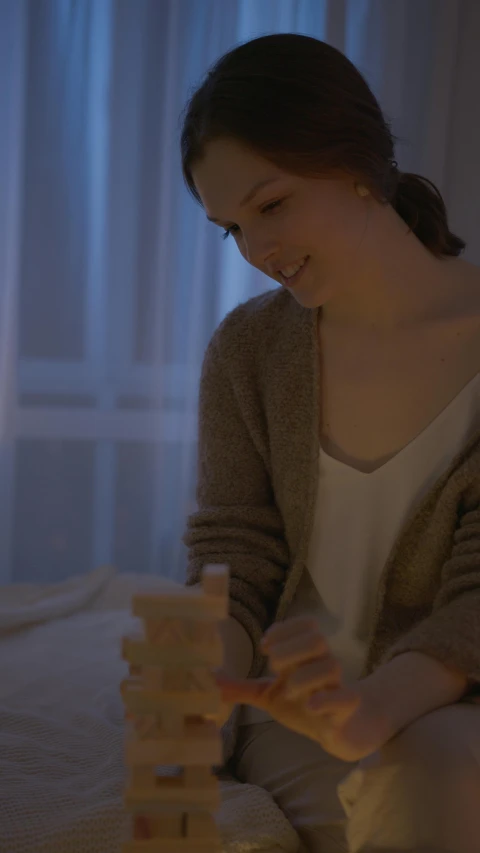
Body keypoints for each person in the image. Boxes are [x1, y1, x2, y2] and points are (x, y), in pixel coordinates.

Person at [179, 32, 480, 853]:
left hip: (448, 703)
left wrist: (377, 705)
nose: (257, 252)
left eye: (270, 205)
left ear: (356, 162)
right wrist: (202, 669)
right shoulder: (248, 352)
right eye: (230, 227)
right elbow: (235, 551)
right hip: (295, 714)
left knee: (439, 777)